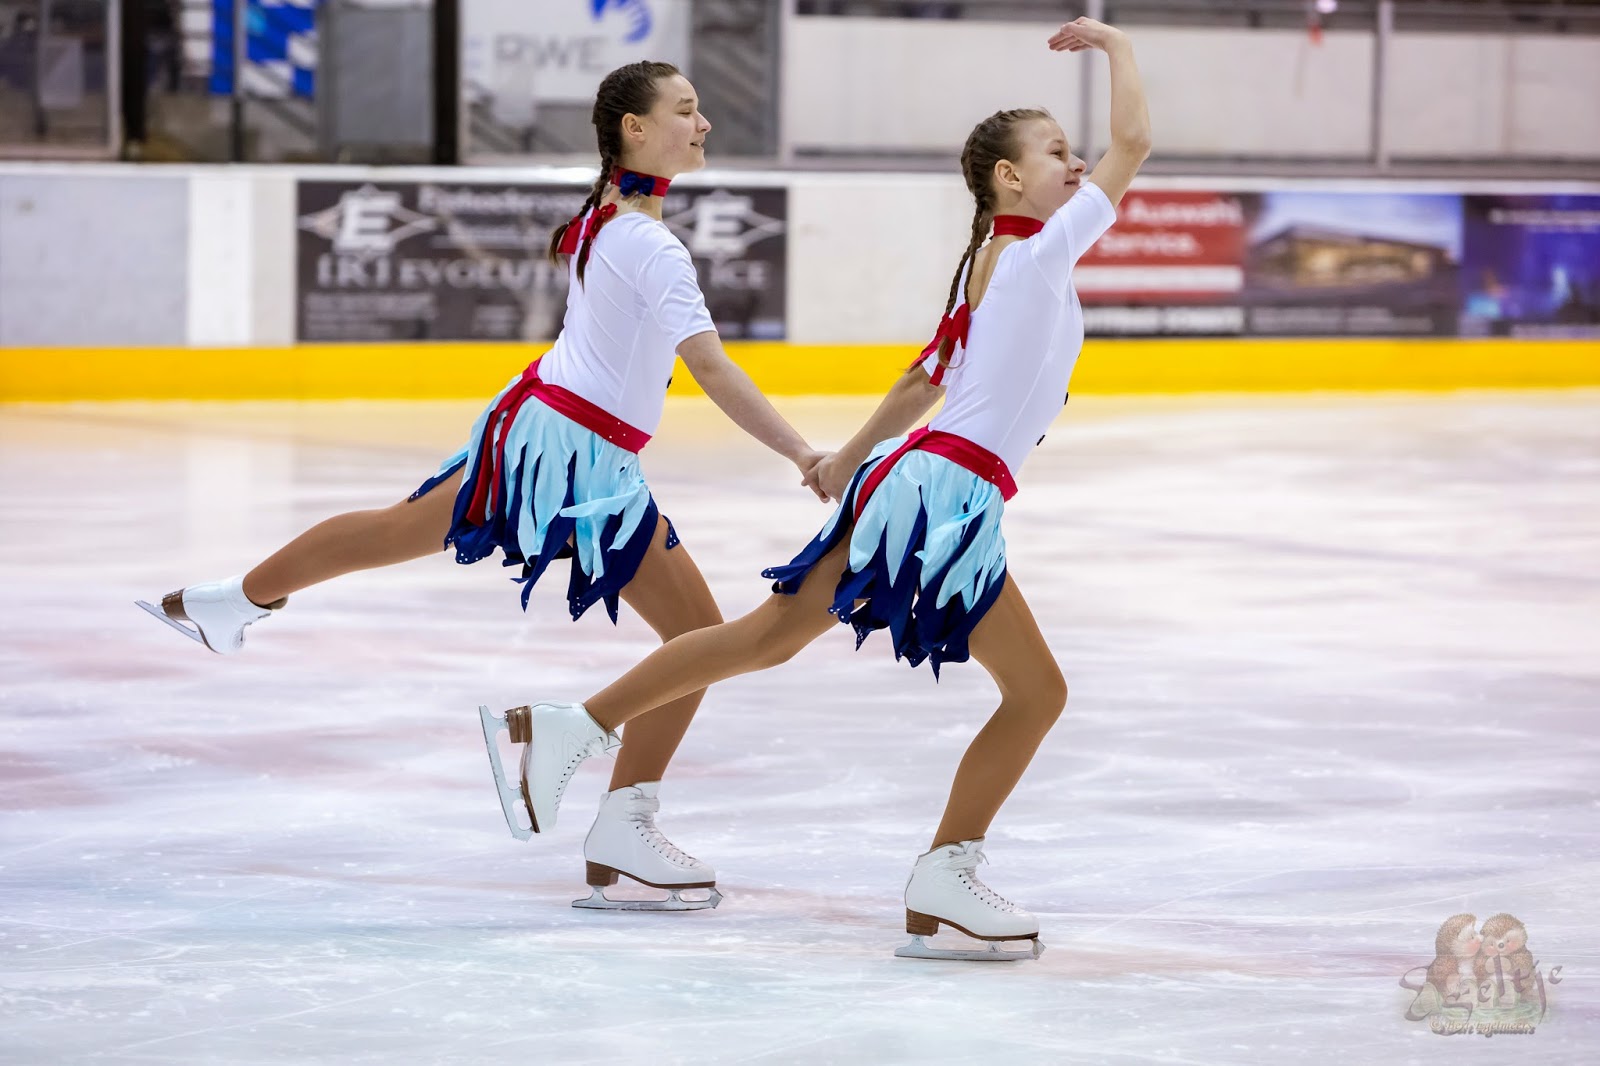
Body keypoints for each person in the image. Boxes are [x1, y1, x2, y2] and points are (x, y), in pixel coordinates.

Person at [481, 18, 1151, 959]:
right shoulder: (1036, 255)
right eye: (1056, 153)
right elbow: (1136, 145)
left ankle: (572, 727)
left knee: (765, 639)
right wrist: (1117, 48)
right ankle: (944, 878)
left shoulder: (994, 269)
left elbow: (927, 378)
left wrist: (842, 461)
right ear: (1008, 179)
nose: (1079, 167)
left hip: (916, 488)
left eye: (1072, 153)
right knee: (1034, 694)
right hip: (942, 501)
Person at [138, 61, 829, 914]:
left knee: (403, 531)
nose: (705, 124)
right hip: (571, 456)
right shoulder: (647, 239)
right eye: (686, 110)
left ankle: (226, 601)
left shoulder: (615, 220)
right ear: (634, 131)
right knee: (699, 636)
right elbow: (712, 367)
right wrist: (802, 454)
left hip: (555, 433)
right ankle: (622, 825)